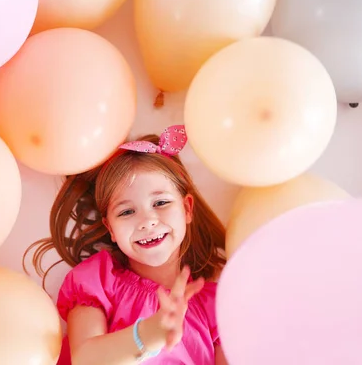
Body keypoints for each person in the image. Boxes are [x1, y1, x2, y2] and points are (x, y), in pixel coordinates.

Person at [25, 125, 229, 364]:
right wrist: (148, 334)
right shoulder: (99, 282)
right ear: (110, 228)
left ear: (186, 209)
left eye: (161, 202)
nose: (147, 221)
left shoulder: (216, 306)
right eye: (127, 211)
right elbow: (85, 358)